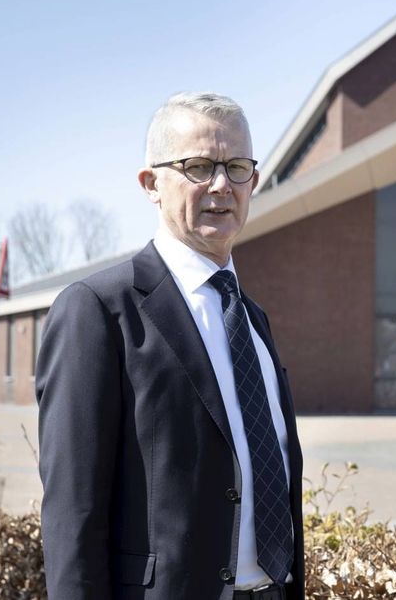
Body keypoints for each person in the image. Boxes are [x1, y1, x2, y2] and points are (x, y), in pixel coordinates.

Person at [36, 92, 304, 600]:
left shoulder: (253, 320)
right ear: (150, 184)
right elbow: (73, 512)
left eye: (237, 167)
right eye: (198, 166)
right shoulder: (97, 311)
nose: (221, 185)